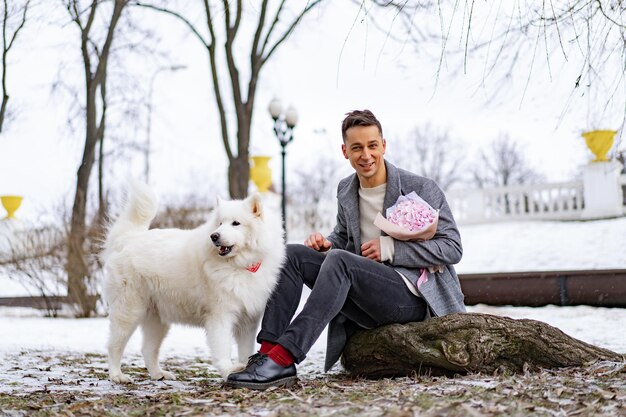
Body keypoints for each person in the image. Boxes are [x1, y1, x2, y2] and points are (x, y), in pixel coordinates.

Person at [226, 109, 466, 390]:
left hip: (411, 297)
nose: (366, 155)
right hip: (364, 291)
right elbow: (343, 237)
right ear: (345, 151)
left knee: (340, 262)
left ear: (384, 146)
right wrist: (327, 244)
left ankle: (285, 355)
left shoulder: (421, 188)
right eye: (357, 148)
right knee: (292, 255)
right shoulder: (346, 190)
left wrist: (390, 248)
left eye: (372, 146)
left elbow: (452, 247)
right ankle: (267, 353)